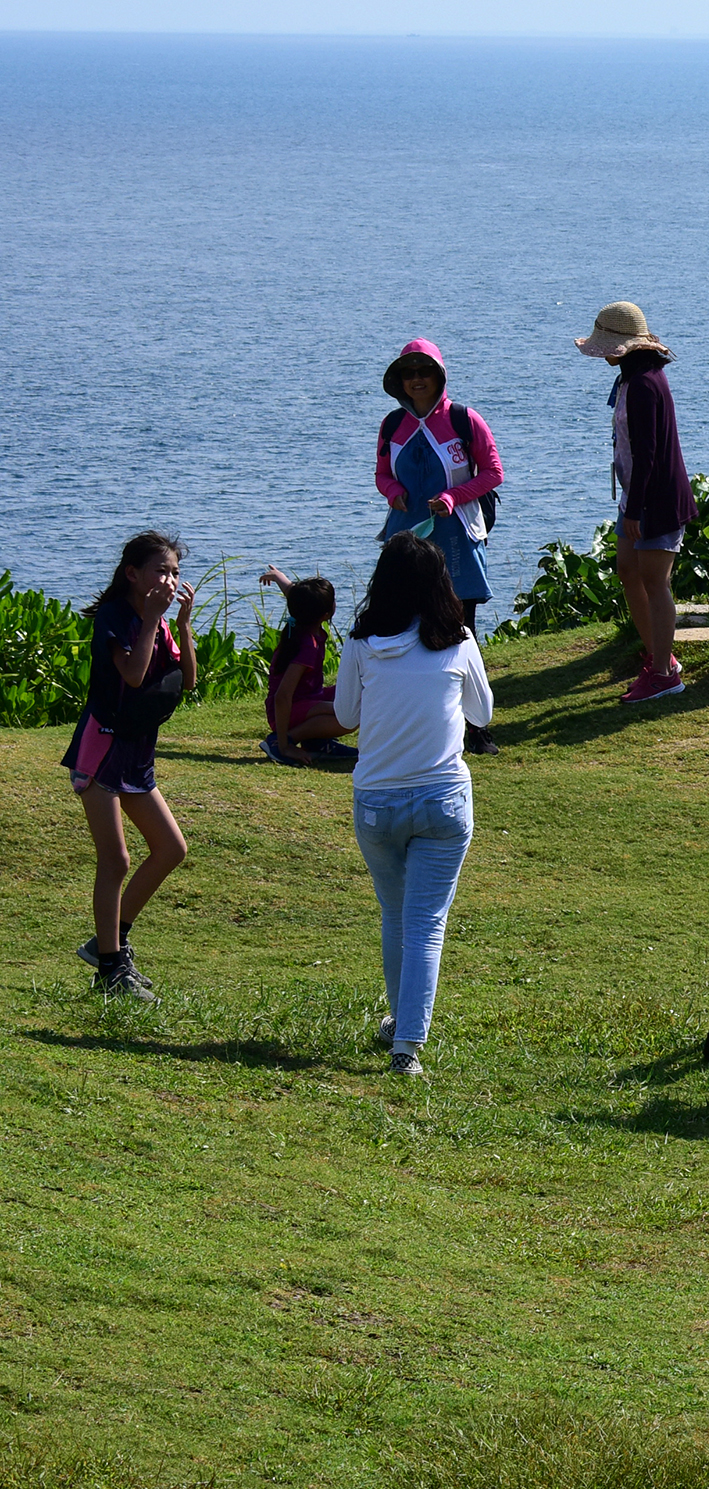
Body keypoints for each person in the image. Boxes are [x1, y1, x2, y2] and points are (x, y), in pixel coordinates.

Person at [334, 532, 495, 1079]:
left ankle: (401, 1024)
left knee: (396, 914)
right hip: (443, 802)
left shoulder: (359, 642)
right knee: (425, 922)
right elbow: (483, 714)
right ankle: (407, 1043)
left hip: (375, 803)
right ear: (440, 585)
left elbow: (347, 715)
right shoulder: (459, 640)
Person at [62, 531, 198, 1001]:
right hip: (101, 752)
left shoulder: (159, 621)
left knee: (170, 848)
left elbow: (188, 681)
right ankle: (109, 970)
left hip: (137, 755)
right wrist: (152, 620)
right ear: (132, 574)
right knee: (116, 859)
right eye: (161, 570)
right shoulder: (117, 617)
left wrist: (180, 624)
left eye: (176, 572)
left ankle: (110, 944)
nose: (170, 578)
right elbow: (134, 675)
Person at [374, 340, 504, 753]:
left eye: (423, 372)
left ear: (439, 377)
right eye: (408, 373)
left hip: (457, 537)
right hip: (406, 537)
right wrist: (392, 489)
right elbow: (380, 473)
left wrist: (453, 497)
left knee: (461, 629)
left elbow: (493, 474)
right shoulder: (393, 425)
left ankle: (475, 728)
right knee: (401, 624)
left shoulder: (465, 420)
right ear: (399, 380)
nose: (416, 380)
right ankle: (411, 721)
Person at [575, 301, 695, 704]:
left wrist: (634, 509)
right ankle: (660, 656)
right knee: (629, 571)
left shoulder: (643, 384)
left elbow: (646, 454)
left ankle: (663, 673)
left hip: (655, 498)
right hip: (639, 494)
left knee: (655, 583)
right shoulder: (635, 376)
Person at [257, 565, 354, 767]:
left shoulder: (301, 618)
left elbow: (294, 594)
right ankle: (281, 741)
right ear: (326, 614)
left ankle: (315, 742)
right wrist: (285, 745)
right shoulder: (307, 646)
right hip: (286, 711)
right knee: (350, 717)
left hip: (308, 699)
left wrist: (279, 577)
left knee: (353, 695)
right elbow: (283, 696)